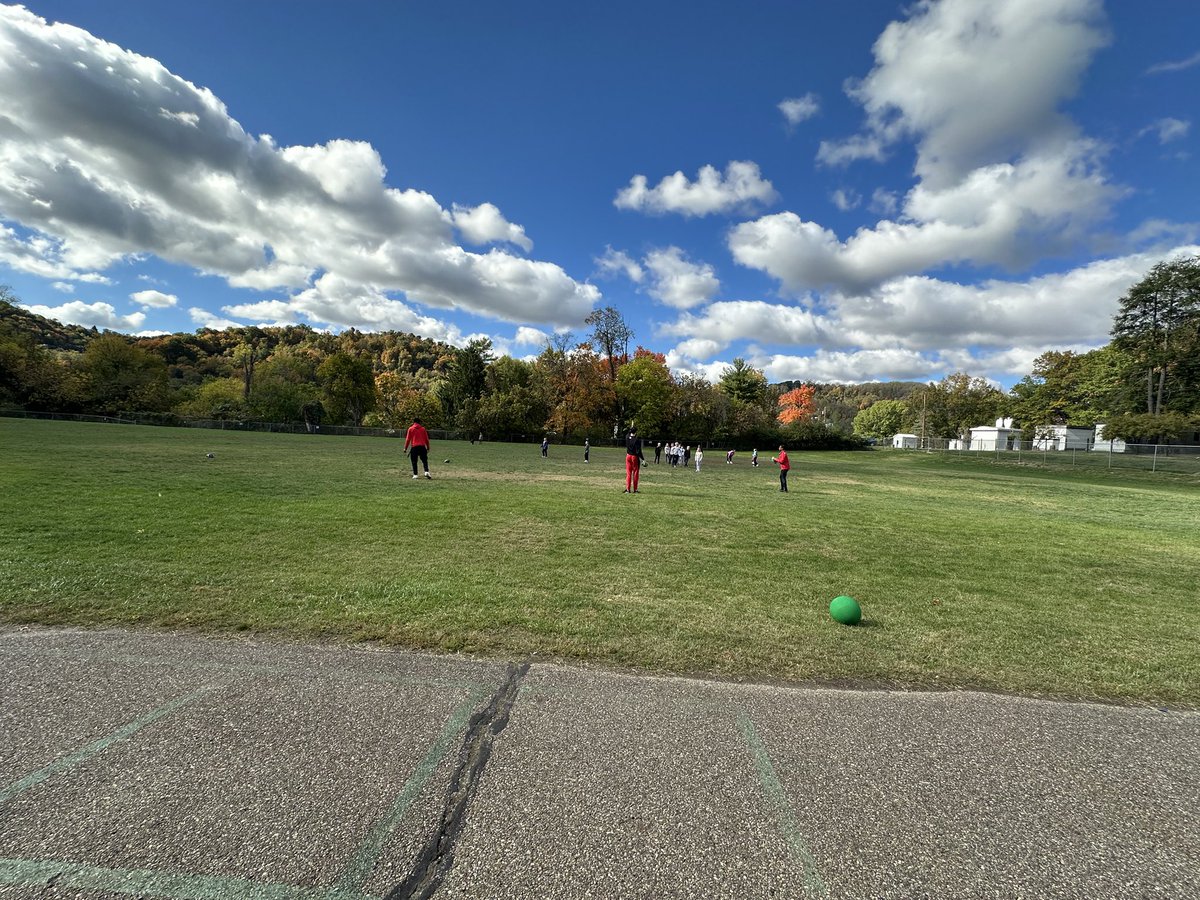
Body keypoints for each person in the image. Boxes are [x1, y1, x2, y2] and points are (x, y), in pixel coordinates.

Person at [624, 426, 645, 493]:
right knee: (635, 473)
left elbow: (628, 433)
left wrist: (630, 429)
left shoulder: (627, 437)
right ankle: (635, 489)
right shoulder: (636, 439)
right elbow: (638, 451)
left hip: (628, 456)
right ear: (636, 432)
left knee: (628, 473)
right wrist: (642, 459)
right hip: (634, 457)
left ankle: (628, 489)